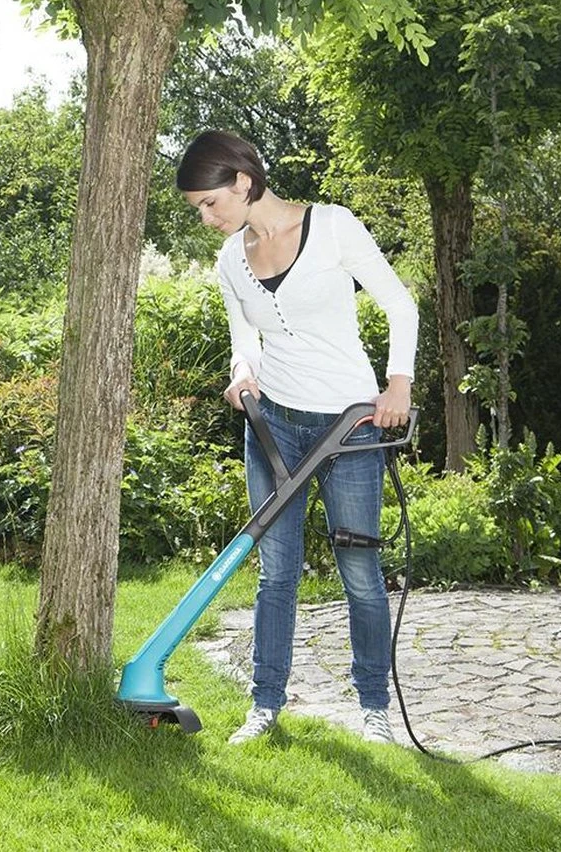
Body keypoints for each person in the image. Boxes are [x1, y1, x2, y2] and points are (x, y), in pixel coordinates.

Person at [176, 130, 418, 745]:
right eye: (199, 209)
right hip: (274, 426)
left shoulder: (333, 226)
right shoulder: (231, 260)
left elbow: (400, 305)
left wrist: (398, 385)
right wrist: (242, 374)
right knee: (276, 573)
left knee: (359, 573)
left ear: (242, 182)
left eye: (210, 203)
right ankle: (265, 705)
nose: (207, 218)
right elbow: (245, 341)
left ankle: (374, 707)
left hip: (350, 426)